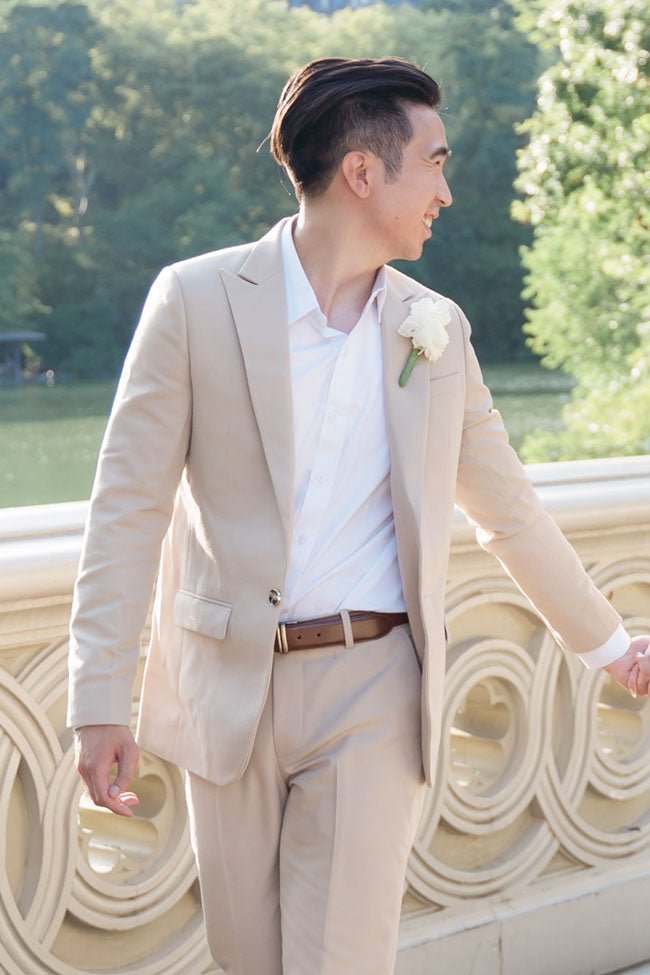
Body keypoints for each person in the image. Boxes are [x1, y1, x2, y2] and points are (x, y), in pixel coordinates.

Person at [67, 57, 650, 975]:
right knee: (249, 958)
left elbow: (509, 511)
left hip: (373, 688)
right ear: (363, 172)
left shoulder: (435, 329)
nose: (447, 191)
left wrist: (612, 647)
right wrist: (97, 701)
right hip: (227, 686)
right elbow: (127, 509)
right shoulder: (196, 300)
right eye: (436, 163)